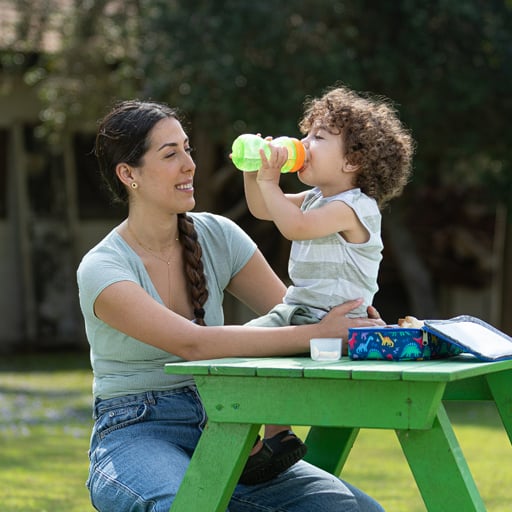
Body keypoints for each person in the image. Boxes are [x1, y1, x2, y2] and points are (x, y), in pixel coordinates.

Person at [77, 99, 387, 512]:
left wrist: (344, 320)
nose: (189, 164)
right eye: (171, 154)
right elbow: (193, 345)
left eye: (187, 149)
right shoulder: (103, 268)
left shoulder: (218, 235)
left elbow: (294, 314)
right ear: (128, 174)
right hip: (138, 431)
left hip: (232, 429)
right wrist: (320, 333)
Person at [240, 85, 414, 485]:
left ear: (353, 159)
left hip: (336, 320)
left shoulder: (355, 208)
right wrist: (256, 173)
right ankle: (275, 437)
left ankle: (261, 443)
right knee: (243, 349)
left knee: (241, 349)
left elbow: (295, 228)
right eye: (306, 134)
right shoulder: (318, 197)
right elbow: (264, 209)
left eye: (318, 137)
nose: (303, 144)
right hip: (300, 311)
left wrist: (269, 181)